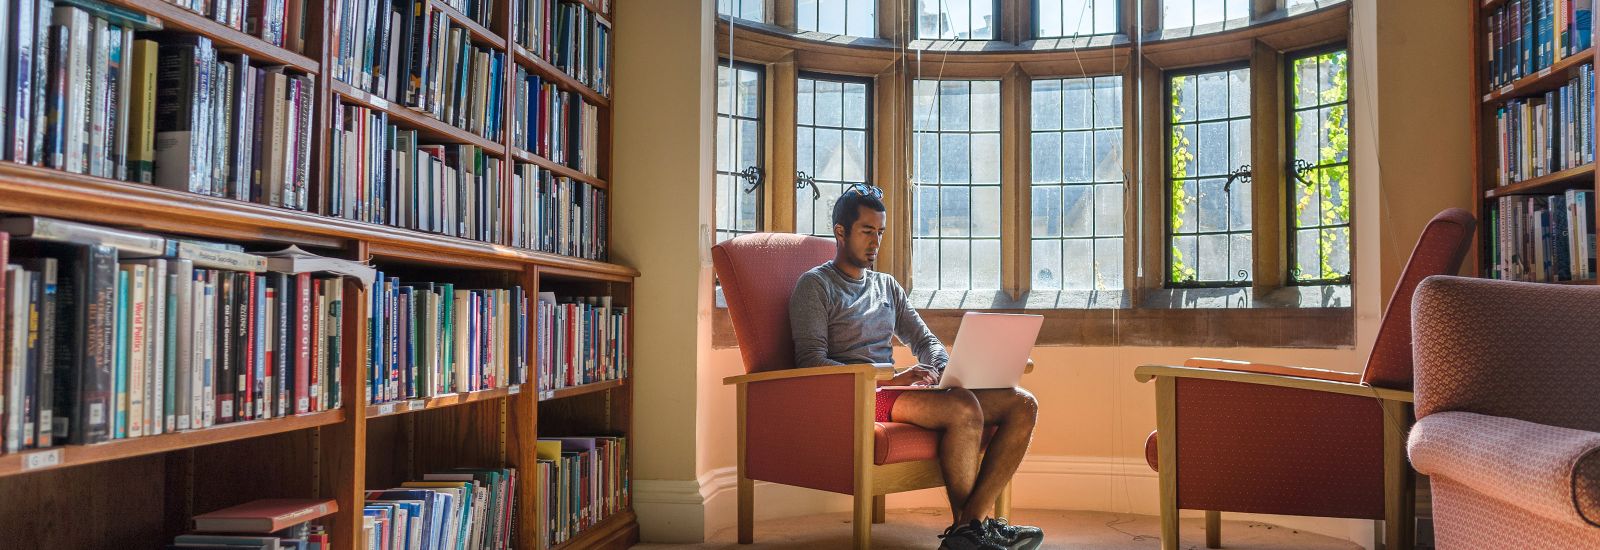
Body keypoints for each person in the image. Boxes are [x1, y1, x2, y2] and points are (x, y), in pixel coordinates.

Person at [788, 184, 1043, 550]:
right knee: (964, 407)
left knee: (1022, 404)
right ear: (840, 232)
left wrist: (942, 369)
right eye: (866, 231)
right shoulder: (815, 286)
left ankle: (971, 528)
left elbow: (928, 344)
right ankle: (977, 528)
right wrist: (893, 376)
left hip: (898, 391)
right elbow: (811, 362)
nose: (875, 242)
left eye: (880, 232)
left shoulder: (887, 287)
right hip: (860, 396)